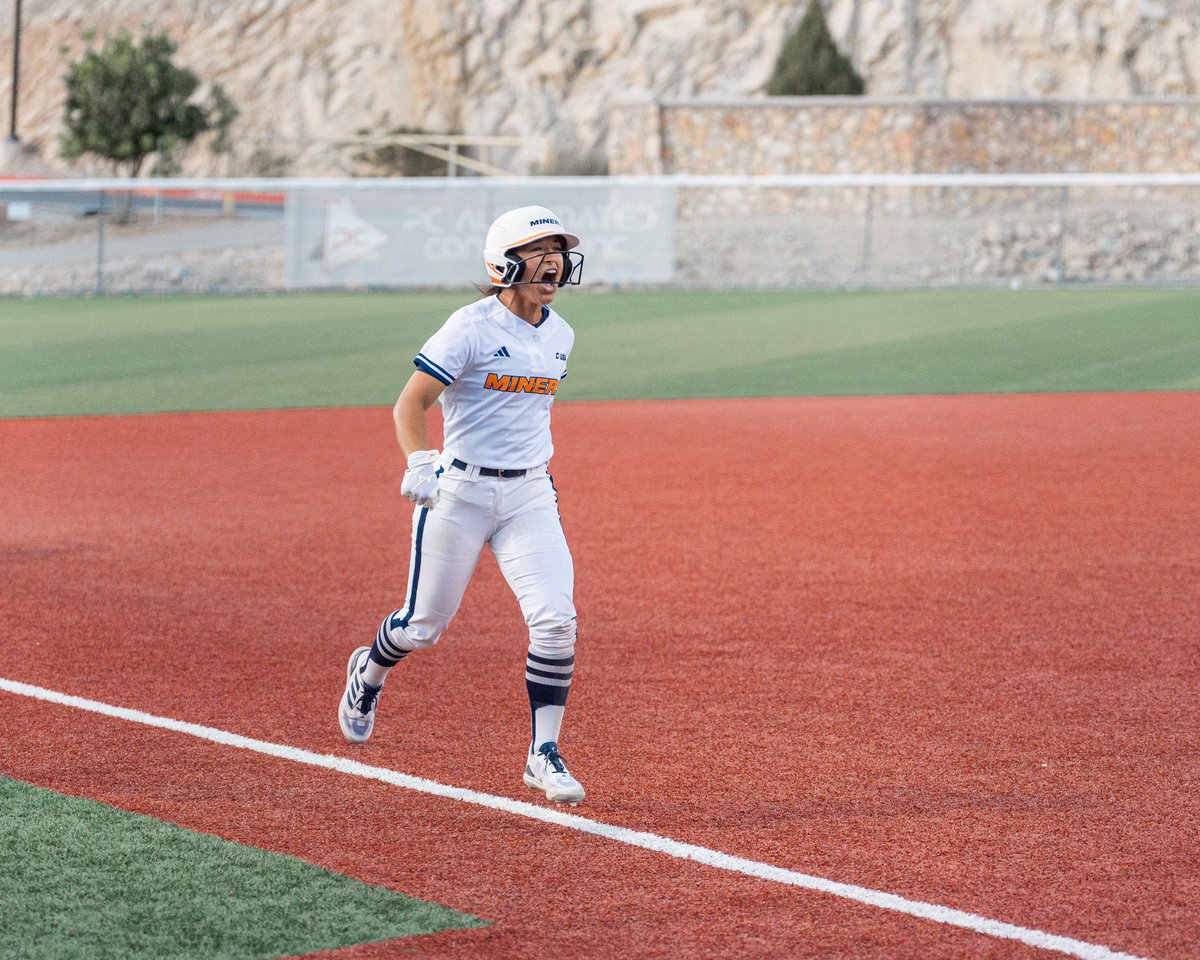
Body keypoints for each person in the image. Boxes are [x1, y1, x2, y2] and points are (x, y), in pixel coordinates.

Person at [338, 205, 587, 805]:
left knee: (556, 620)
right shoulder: (469, 327)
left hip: (529, 491)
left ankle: (543, 754)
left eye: (558, 251)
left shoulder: (561, 334)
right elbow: (410, 404)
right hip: (462, 491)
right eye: (538, 251)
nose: (552, 262)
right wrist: (420, 462)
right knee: (421, 627)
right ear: (506, 263)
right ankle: (367, 674)